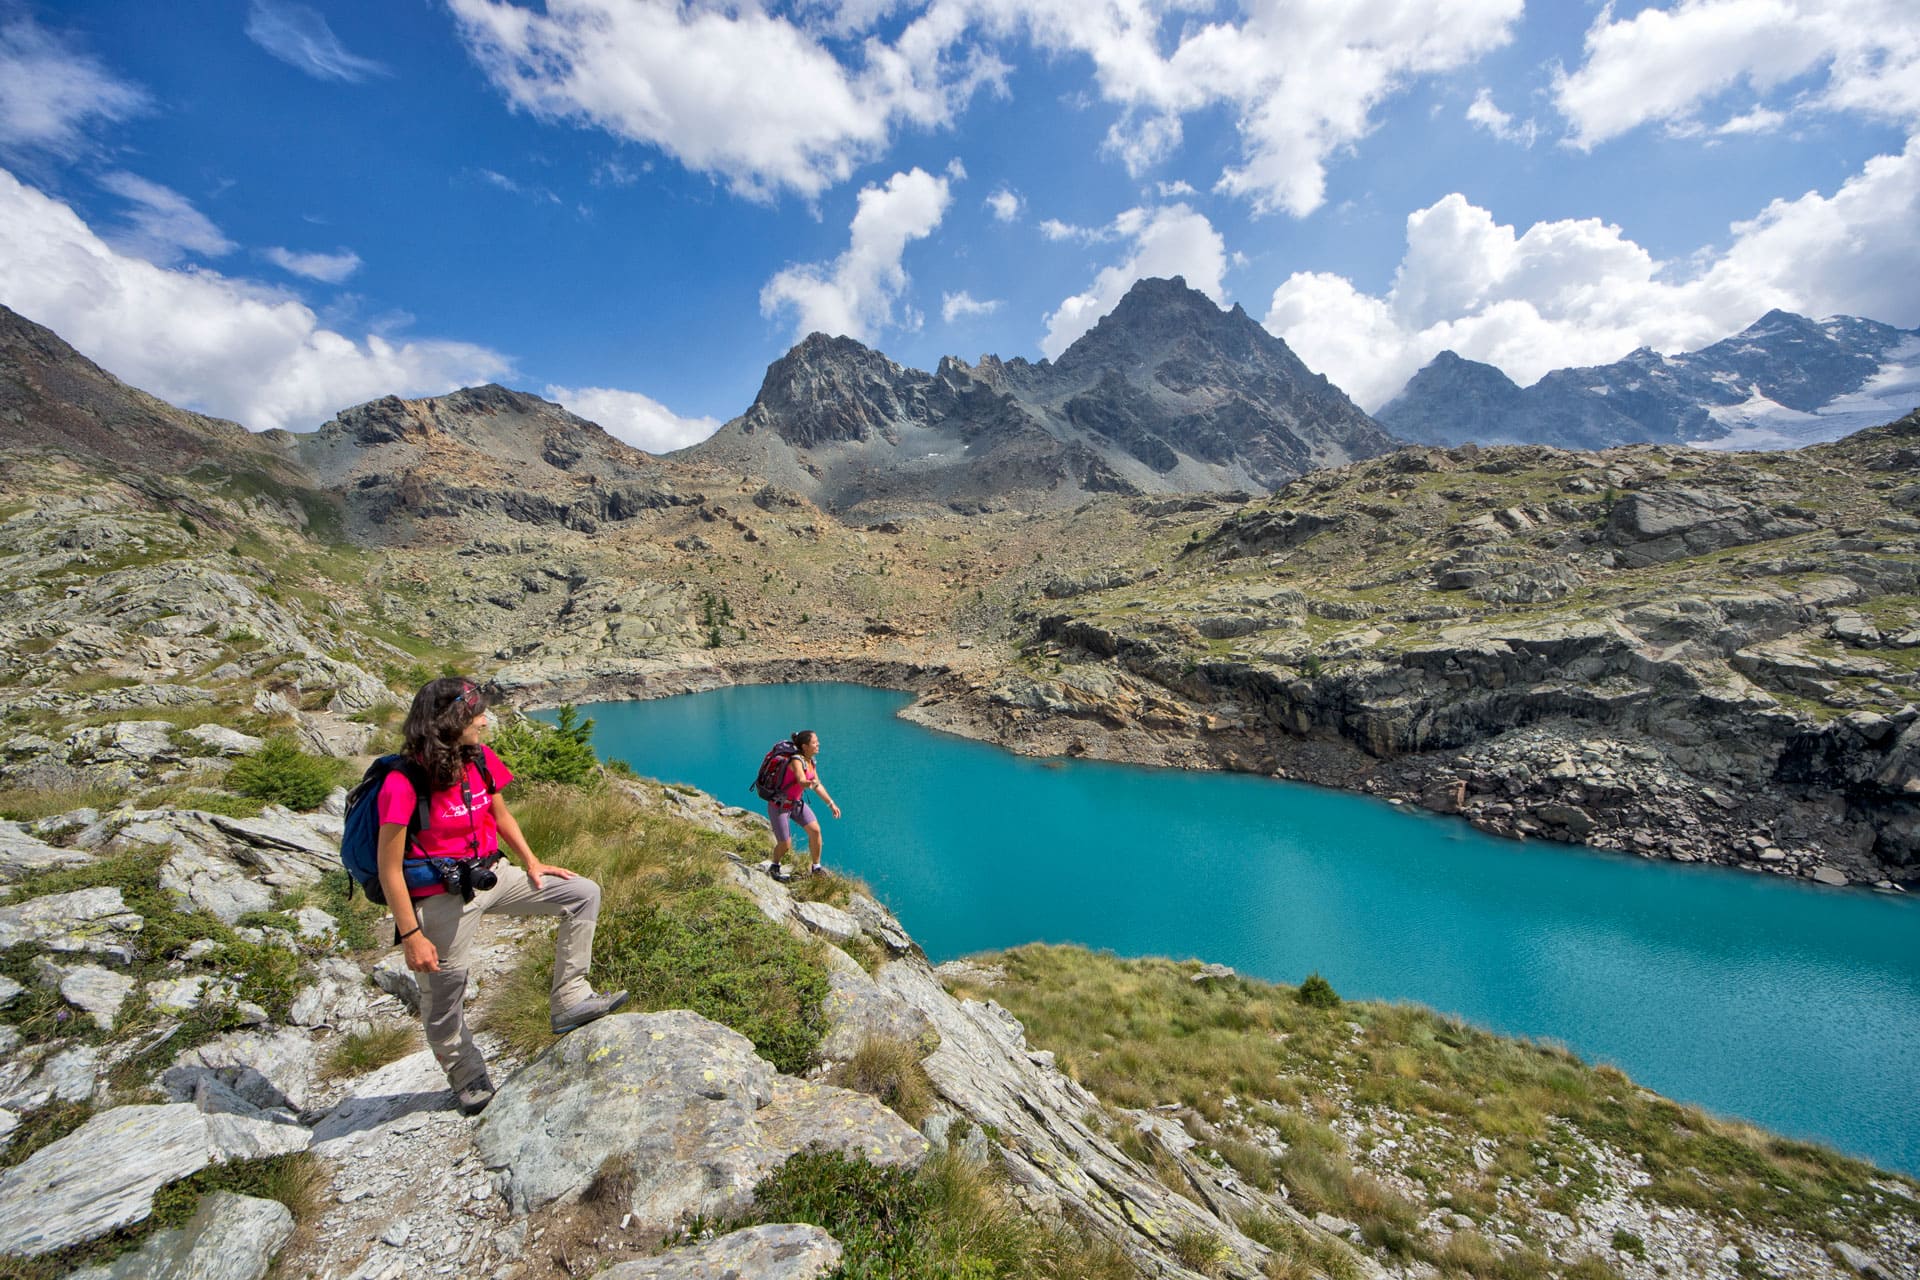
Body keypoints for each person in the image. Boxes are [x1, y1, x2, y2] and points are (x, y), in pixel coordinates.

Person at [377, 677, 628, 1116]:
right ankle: (465, 1072)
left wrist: (531, 861)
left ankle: (570, 998)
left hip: (494, 874)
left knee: (582, 893)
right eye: (476, 714)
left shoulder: (479, 759)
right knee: (444, 994)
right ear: (450, 720)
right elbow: (388, 867)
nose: (484, 720)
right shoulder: (403, 781)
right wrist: (411, 933)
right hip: (441, 896)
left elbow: (500, 812)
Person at [767, 728, 840, 881]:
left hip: (795, 803)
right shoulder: (796, 760)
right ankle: (774, 865)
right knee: (785, 844)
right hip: (779, 805)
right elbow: (801, 780)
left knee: (815, 831)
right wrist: (809, 783)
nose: (818, 744)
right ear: (805, 746)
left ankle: (816, 868)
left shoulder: (811, 762)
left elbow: (817, 785)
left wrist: (831, 804)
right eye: (815, 742)